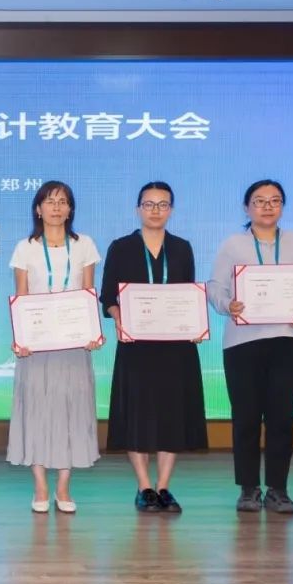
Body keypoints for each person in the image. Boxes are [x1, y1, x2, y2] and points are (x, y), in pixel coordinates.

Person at [100, 182, 208, 514]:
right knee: (138, 416)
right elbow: (108, 296)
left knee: (172, 415)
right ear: (138, 209)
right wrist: (119, 317)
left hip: (176, 348)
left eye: (162, 204)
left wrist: (195, 324)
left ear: (171, 210)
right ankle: (144, 486)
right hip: (136, 346)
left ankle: (164, 487)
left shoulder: (182, 248)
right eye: (149, 204)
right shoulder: (121, 247)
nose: (155, 210)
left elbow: (188, 295)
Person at [208, 180, 293, 514]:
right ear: (247, 207)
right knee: (246, 418)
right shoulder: (233, 245)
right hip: (243, 343)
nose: (267, 206)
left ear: (282, 206)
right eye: (259, 200)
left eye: (275, 200)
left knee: (282, 418)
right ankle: (248, 489)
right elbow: (215, 287)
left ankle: (278, 489)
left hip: (287, 341)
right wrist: (228, 305)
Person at [6, 181, 103, 514]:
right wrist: (20, 338)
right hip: (36, 346)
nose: (56, 207)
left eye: (63, 202)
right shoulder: (25, 248)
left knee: (72, 412)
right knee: (36, 410)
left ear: (70, 208)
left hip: (74, 344)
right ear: (38, 209)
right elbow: (21, 297)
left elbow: (89, 292)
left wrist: (93, 332)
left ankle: (63, 486)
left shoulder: (84, 245)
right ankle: (40, 485)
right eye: (50, 201)